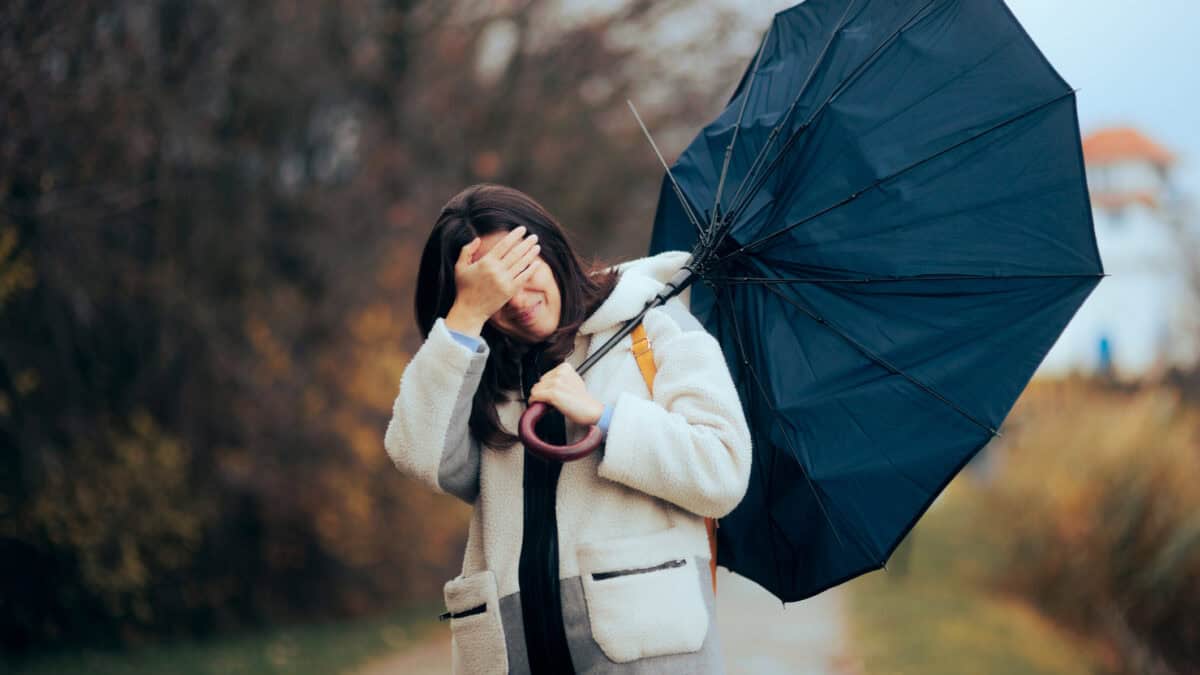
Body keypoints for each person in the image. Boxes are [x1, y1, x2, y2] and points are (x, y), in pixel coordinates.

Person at [384, 183, 752, 674]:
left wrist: (603, 415)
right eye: (493, 290)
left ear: (550, 247)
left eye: (522, 268)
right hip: (516, 652)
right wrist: (466, 316)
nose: (516, 300)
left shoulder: (655, 328)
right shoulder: (481, 370)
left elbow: (722, 469)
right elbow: (415, 452)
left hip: (639, 655)